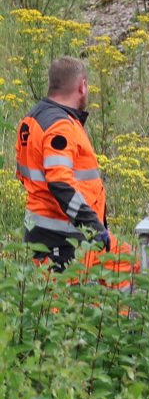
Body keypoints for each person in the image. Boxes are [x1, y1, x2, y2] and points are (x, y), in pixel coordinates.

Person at [16, 57, 109, 266]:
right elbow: (61, 183)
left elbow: (24, 175)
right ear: (82, 86)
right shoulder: (61, 127)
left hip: (41, 235)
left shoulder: (30, 120)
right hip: (65, 242)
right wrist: (94, 227)